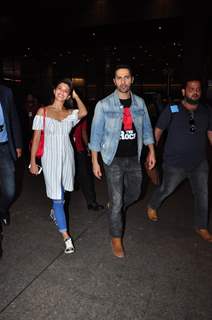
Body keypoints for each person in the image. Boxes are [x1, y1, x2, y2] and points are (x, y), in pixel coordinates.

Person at [89, 64, 156, 258]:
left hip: (134, 158)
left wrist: (151, 152)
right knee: (117, 201)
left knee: (135, 193)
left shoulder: (140, 103)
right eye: (119, 78)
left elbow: (147, 130)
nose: (123, 81)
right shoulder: (103, 105)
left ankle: (115, 209)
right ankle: (116, 237)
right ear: (114, 81)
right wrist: (95, 161)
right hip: (112, 159)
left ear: (132, 80)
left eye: (127, 77)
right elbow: (95, 135)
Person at [147, 78, 212, 242]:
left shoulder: (206, 111)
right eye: (191, 89)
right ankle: (153, 205)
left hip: (199, 163)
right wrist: (151, 152)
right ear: (184, 91)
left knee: (203, 194)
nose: (195, 92)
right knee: (166, 189)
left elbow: (210, 133)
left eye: (198, 89)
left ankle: (201, 226)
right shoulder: (172, 108)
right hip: (175, 162)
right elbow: (158, 130)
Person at [29, 78, 87, 254]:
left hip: (67, 158)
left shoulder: (70, 113)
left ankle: (55, 211)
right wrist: (32, 161)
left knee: (63, 192)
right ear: (54, 91)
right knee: (58, 198)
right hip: (50, 158)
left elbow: (84, 112)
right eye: (59, 89)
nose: (62, 92)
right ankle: (66, 237)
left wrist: (76, 96)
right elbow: (37, 138)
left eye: (66, 90)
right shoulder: (43, 111)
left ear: (68, 94)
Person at [0, 83, 22, 253]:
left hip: (5, 146)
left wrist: (18, 144)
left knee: (10, 190)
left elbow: (14, 118)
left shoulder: (6, 92)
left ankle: (2, 209)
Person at [72, 117, 104, 211]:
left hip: (79, 150)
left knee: (85, 176)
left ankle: (91, 202)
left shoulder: (82, 115)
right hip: (65, 150)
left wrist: (87, 147)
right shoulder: (63, 112)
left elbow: (83, 132)